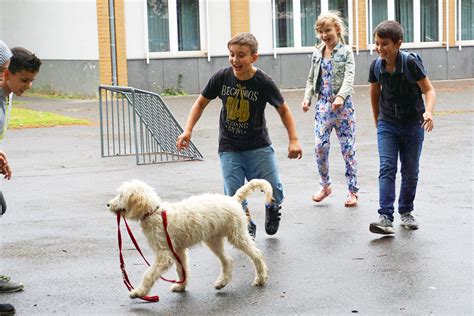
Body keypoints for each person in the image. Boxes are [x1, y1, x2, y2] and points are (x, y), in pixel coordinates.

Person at [176, 32, 302, 239]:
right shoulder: (221, 77)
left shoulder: (263, 82)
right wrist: (188, 129)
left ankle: (272, 208)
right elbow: (200, 103)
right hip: (229, 146)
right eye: (232, 54)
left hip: (258, 145)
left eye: (241, 55)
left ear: (254, 57)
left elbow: (284, 110)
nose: (235, 60)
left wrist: (294, 140)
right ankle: (245, 222)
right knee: (233, 193)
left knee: (274, 189)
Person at [368, 20, 435, 234]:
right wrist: (378, 121)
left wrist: (429, 111)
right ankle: (385, 217)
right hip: (387, 124)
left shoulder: (411, 64)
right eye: (377, 43)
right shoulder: (376, 66)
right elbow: (375, 93)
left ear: (398, 43)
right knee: (387, 168)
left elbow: (429, 90)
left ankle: (406, 211)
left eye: (384, 44)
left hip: (413, 124)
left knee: (410, 170)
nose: (379, 48)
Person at [301, 11, 359, 207]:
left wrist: (341, 96)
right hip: (324, 107)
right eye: (321, 32)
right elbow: (311, 78)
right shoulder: (317, 53)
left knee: (348, 149)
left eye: (328, 30)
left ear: (337, 30)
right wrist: (307, 98)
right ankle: (325, 186)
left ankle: (352, 191)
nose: (325, 35)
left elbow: (350, 76)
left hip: (344, 110)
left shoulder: (346, 52)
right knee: (319, 147)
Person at [0, 45, 42, 315]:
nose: (27, 86)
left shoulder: (6, 96)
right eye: (24, 80)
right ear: (6, 73)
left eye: (31, 81)